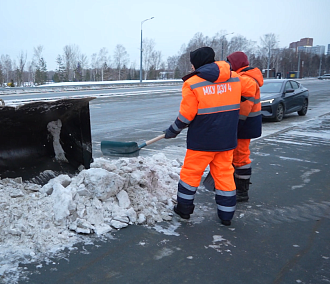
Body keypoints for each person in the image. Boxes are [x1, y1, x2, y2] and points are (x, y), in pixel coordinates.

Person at [163, 47, 242, 226]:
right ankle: (226, 216)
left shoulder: (193, 83)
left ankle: (183, 211)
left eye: (192, 63)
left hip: (202, 141)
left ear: (197, 63)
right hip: (226, 139)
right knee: (224, 176)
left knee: (190, 175)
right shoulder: (235, 78)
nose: (191, 67)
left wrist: (173, 130)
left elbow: (186, 116)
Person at [226, 51, 264, 202]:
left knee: (241, 157)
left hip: (244, 124)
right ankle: (236, 186)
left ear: (237, 63)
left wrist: (234, 125)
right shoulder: (243, 77)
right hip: (245, 123)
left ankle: (242, 191)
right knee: (236, 156)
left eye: (230, 63)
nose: (229, 66)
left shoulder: (246, 80)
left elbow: (244, 106)